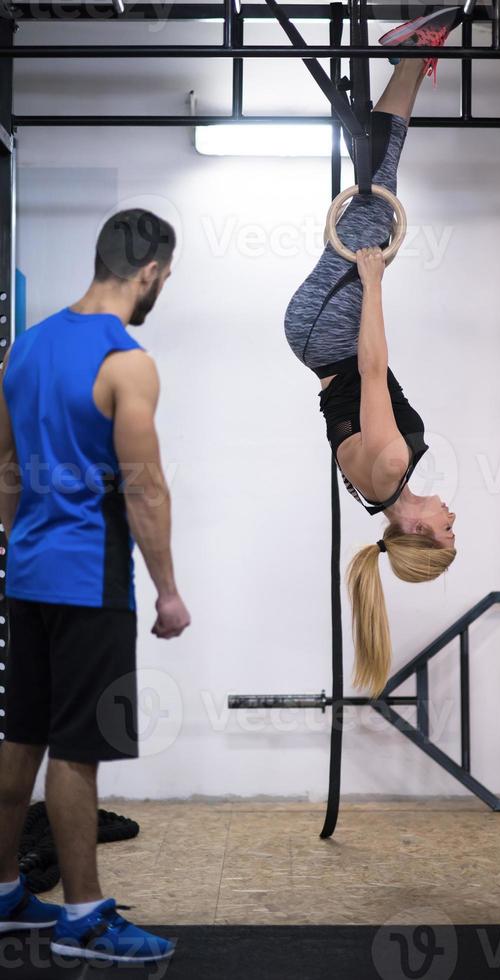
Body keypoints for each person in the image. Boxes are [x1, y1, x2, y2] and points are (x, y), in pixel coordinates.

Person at [0, 209, 190, 963]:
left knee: (20, 735)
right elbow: (145, 489)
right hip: (90, 581)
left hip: (28, 576)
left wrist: (20, 548)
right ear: (149, 273)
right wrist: (168, 590)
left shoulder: (25, 347)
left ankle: (6, 891)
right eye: (164, 280)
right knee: (79, 751)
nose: (159, 290)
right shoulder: (127, 361)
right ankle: (85, 917)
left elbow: (6, 471)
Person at [284, 10, 462, 698]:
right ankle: (413, 61)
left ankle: (411, 56)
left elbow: (369, 369)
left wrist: (373, 282)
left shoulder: (390, 464)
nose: (452, 520)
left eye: (446, 533)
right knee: (377, 181)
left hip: (329, 331)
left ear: (418, 531)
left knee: (377, 205)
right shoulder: (373, 495)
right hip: (315, 342)